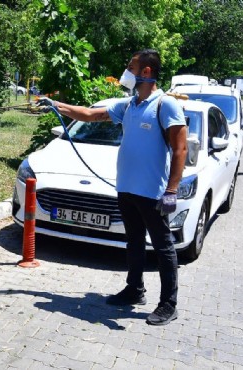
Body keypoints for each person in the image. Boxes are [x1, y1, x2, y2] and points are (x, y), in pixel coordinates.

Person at [37, 49, 187, 326]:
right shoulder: (129, 105)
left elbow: (180, 149)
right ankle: (135, 289)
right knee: (133, 242)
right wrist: (56, 104)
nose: (125, 71)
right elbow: (90, 115)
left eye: (131, 66)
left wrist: (172, 190)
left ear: (145, 72)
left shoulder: (165, 105)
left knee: (164, 246)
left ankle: (168, 303)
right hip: (127, 188)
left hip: (153, 192)